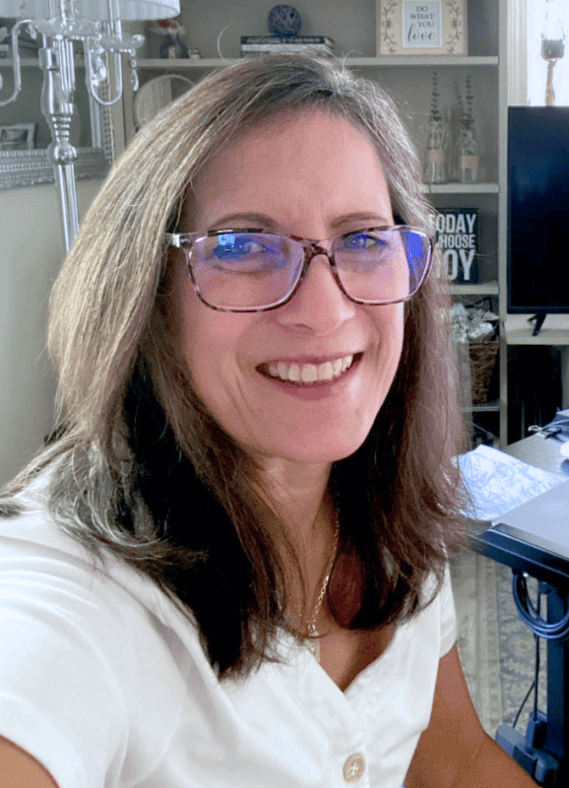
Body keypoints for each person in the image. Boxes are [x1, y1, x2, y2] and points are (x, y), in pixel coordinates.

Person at [0, 54, 537, 788]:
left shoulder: (389, 506)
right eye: (243, 246)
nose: (324, 312)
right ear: (150, 295)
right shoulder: (74, 596)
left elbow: (452, 762)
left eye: (363, 240)